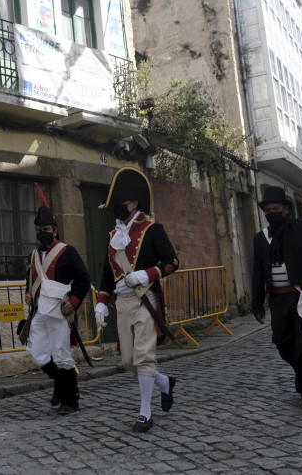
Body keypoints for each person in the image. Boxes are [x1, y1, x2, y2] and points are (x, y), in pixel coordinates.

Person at [94, 167, 179, 433]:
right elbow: (108, 272)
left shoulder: (152, 229)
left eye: (119, 204)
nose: (116, 209)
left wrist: (146, 274)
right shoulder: (113, 236)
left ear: (133, 203)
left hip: (146, 298)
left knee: (144, 357)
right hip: (121, 302)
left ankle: (145, 412)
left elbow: (172, 262)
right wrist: (101, 301)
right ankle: (164, 383)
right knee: (129, 360)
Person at [251, 185, 302, 414]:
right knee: (282, 343)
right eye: (268, 210)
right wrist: (257, 303)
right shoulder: (260, 239)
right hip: (277, 300)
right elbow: (257, 272)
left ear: (286, 209)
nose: (272, 213)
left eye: (276, 208)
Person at [24, 185, 91, 415]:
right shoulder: (33, 254)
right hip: (40, 312)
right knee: (37, 353)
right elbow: (31, 277)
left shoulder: (67, 251)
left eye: (46, 229)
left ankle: (70, 400)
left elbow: (83, 279)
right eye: (39, 229)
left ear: (54, 230)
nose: (43, 232)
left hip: (60, 311)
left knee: (62, 354)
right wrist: (27, 292)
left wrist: (74, 302)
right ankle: (61, 385)